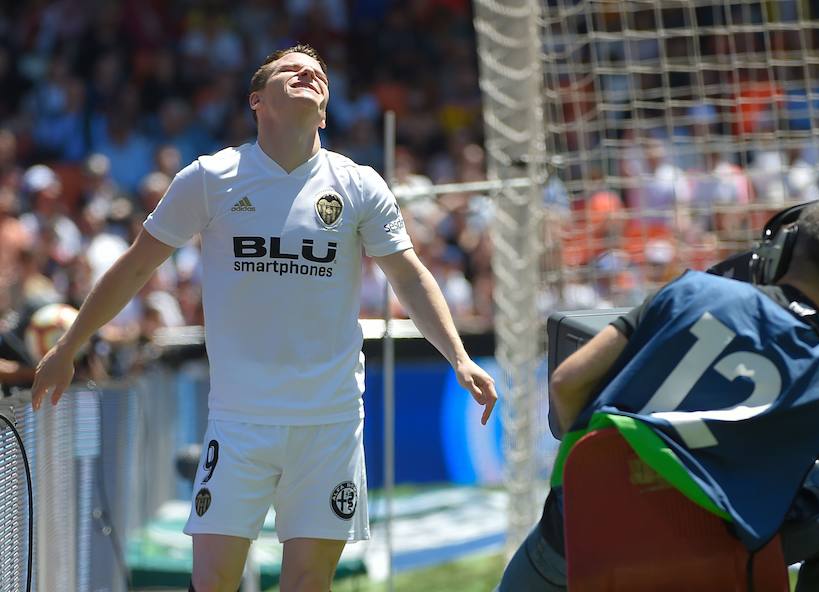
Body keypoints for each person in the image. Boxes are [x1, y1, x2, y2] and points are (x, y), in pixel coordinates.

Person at [31, 43, 498, 592]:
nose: (308, 75)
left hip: (329, 420)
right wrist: (67, 348)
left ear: (324, 110)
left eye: (318, 74)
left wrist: (460, 357)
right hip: (239, 420)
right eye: (290, 70)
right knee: (214, 581)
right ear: (257, 99)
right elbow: (135, 268)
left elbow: (410, 276)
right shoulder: (210, 178)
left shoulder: (359, 185)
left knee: (307, 583)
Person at [497, 200, 819, 592]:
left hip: (580, 538)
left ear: (778, 254)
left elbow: (568, 382)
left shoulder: (689, 291)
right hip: (709, 558)